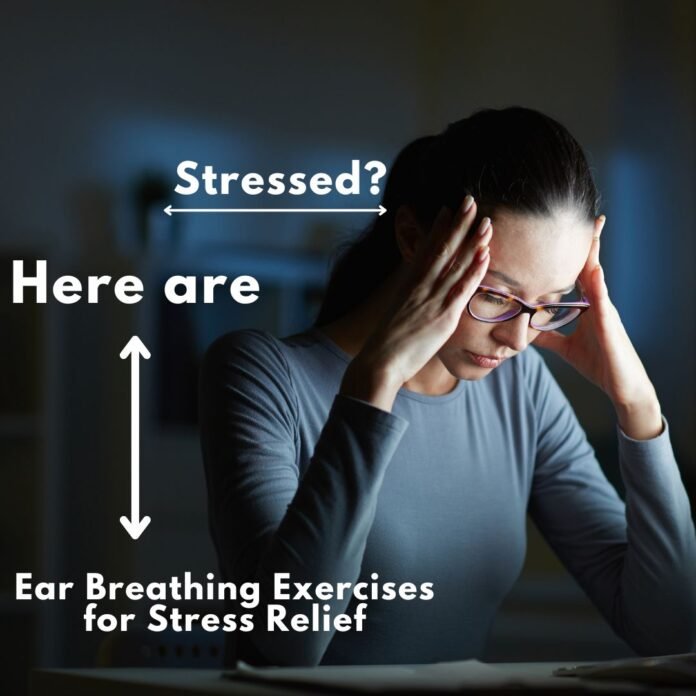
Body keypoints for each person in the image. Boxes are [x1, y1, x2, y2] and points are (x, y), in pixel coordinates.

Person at [198, 106, 696, 668]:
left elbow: (669, 629)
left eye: (550, 305)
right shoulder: (260, 375)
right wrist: (374, 384)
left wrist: (640, 407)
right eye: (494, 295)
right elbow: (287, 644)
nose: (517, 337)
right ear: (413, 237)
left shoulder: (520, 389)